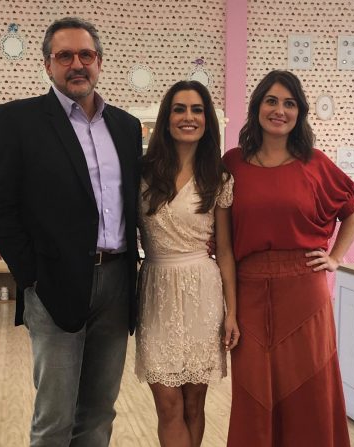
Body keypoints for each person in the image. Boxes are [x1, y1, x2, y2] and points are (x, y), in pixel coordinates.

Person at [0, 17, 142, 447]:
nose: (77, 64)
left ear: (99, 61)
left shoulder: (125, 127)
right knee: (55, 417)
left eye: (85, 55)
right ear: (47, 64)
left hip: (117, 283)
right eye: (64, 56)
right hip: (54, 283)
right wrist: (33, 275)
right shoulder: (17, 120)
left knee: (99, 413)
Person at [223, 70, 354, 447]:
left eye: (289, 103)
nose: (279, 110)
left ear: (299, 112)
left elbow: (353, 213)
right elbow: (222, 239)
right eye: (271, 101)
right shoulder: (232, 163)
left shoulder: (315, 163)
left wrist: (335, 258)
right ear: (257, 108)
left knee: (310, 389)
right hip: (250, 291)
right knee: (253, 388)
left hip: (304, 290)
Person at [135, 80, 239, 447]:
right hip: (156, 290)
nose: (188, 117)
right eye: (179, 109)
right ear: (167, 119)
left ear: (207, 120)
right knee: (168, 406)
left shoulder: (218, 178)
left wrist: (231, 312)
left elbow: (224, 251)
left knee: (194, 406)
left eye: (197, 110)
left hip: (202, 292)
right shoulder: (142, 173)